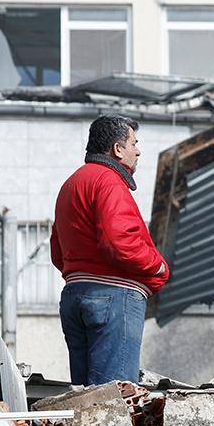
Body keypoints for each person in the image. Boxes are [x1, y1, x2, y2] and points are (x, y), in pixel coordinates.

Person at [51, 115, 169, 385]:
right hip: (113, 298)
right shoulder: (110, 182)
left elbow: (58, 251)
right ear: (117, 149)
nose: (138, 150)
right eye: (133, 143)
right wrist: (158, 267)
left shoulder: (71, 184)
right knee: (115, 399)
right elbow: (120, 242)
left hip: (75, 295)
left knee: (86, 399)